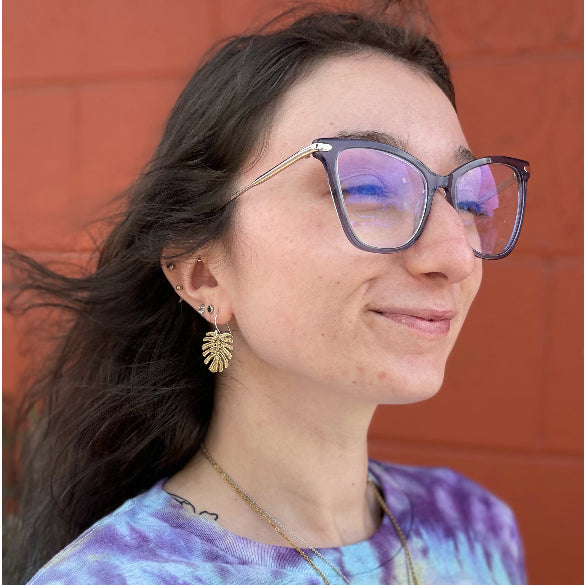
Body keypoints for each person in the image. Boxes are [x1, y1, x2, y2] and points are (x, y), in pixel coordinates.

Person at [6, 3, 530, 584]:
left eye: (470, 198)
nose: (456, 256)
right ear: (203, 274)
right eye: (367, 188)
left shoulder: (478, 529)